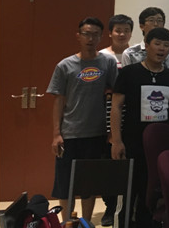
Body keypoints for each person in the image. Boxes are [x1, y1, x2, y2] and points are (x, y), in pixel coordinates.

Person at [47, 17, 117, 223]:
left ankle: (86, 223)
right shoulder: (65, 65)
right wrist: (56, 134)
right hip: (69, 133)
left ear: (101, 37)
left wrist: (113, 133)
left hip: (96, 133)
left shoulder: (108, 62)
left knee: (89, 184)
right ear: (78, 36)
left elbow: (115, 95)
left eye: (95, 34)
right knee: (65, 184)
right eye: (86, 34)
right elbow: (59, 101)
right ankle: (67, 222)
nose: (90, 38)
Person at [111, 27, 169, 228]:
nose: (161, 49)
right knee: (128, 192)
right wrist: (116, 141)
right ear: (147, 46)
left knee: (153, 194)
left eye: (166, 45)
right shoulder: (129, 73)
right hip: (133, 143)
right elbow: (116, 106)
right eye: (157, 44)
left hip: (161, 147)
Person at [98, 14, 133, 226]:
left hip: (130, 115)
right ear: (110, 33)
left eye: (126, 30)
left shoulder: (134, 54)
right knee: (107, 164)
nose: (122, 34)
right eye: (118, 30)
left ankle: (127, 207)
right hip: (107, 114)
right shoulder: (103, 56)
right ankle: (110, 207)